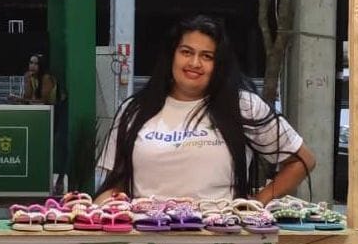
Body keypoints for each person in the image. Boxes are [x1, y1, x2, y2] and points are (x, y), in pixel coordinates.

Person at [97, 14, 316, 204]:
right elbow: (114, 186)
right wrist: (91, 217)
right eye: (186, 52)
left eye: (207, 56)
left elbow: (302, 160)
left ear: (219, 64)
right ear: (172, 55)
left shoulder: (244, 105)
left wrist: (258, 203)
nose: (194, 63)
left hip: (221, 235)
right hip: (146, 235)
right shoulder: (135, 109)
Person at [11, 54, 68, 192]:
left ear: (41, 66)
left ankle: (59, 180)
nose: (32, 66)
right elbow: (28, 97)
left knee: (57, 146)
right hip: (43, 115)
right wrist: (26, 82)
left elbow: (43, 101)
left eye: (36, 64)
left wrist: (20, 100)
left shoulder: (46, 78)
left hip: (57, 113)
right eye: (31, 63)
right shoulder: (31, 78)